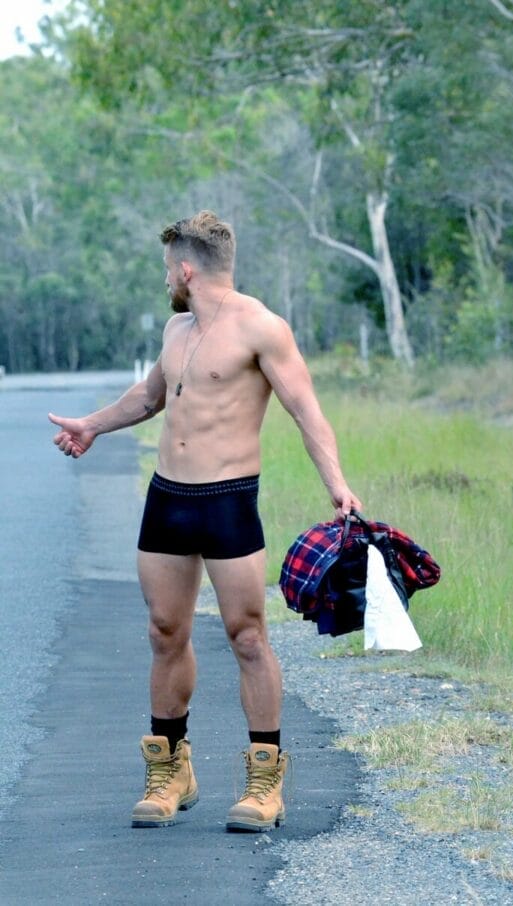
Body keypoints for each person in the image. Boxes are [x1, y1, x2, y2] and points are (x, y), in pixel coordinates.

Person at [49, 210, 362, 833]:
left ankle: (265, 780)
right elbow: (148, 397)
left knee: (247, 636)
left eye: (169, 267)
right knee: (165, 632)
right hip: (168, 499)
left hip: (227, 499)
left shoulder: (261, 328)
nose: (166, 277)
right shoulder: (176, 327)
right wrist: (91, 425)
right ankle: (171, 771)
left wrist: (338, 486)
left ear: (186, 268)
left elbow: (306, 409)